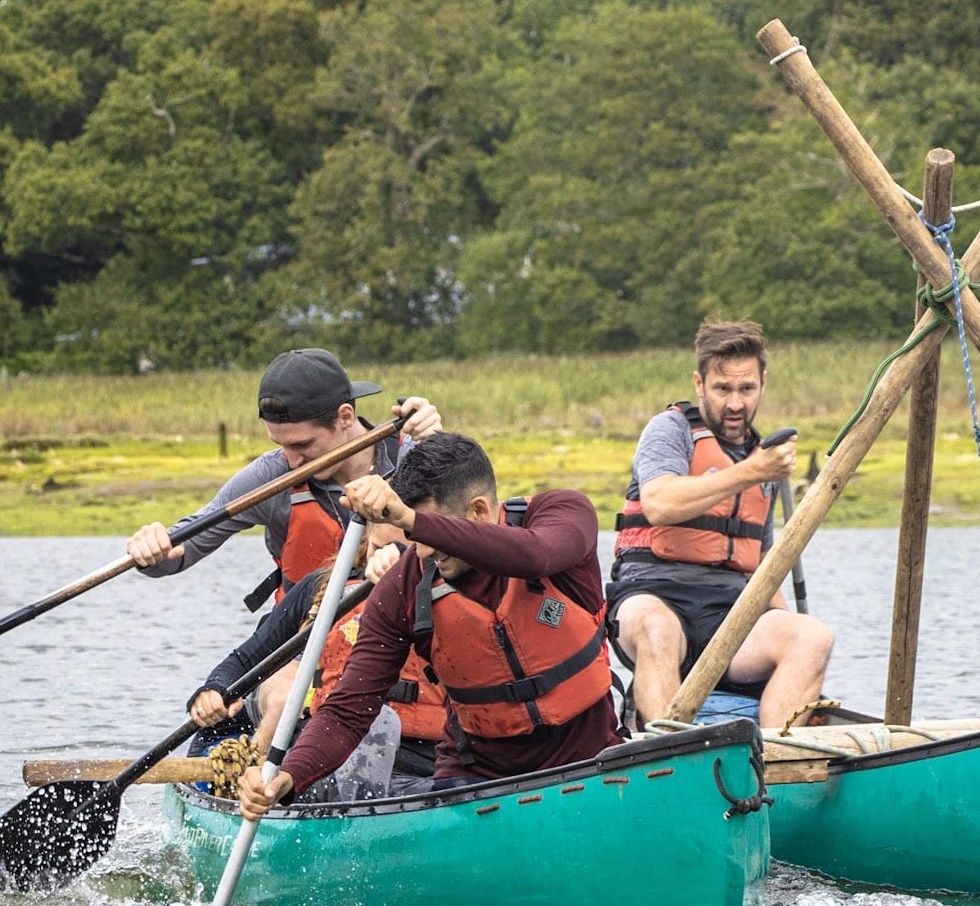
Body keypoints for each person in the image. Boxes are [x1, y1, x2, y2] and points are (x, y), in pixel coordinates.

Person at [237, 433, 620, 818]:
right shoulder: (403, 587)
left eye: (427, 531)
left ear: (480, 511)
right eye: (412, 536)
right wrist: (287, 776)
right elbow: (348, 711)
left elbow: (536, 555)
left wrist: (409, 519)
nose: (422, 550)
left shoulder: (561, 513)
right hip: (476, 783)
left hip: (589, 762)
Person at [605, 320, 833, 727]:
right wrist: (749, 472)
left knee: (812, 637)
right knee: (659, 631)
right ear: (699, 383)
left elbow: (762, 567)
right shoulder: (671, 430)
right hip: (650, 596)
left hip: (728, 615)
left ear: (763, 383)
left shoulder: (763, 459)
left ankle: (771, 768)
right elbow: (658, 503)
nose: (735, 404)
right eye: (722, 389)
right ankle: (668, 762)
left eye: (746, 389)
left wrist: (793, 641)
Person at [124, 348, 443, 608]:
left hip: (405, 639)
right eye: (281, 445)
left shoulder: (413, 452)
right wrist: (151, 553)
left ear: (345, 417)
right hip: (301, 642)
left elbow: (468, 537)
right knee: (277, 690)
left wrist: (436, 442)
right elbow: (181, 550)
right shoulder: (269, 477)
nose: (291, 460)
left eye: (303, 444)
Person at [186, 546, 450, 793]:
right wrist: (214, 688)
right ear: (368, 524)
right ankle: (249, 783)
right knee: (366, 719)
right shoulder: (322, 586)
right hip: (326, 757)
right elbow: (246, 658)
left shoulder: (452, 585)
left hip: (423, 764)